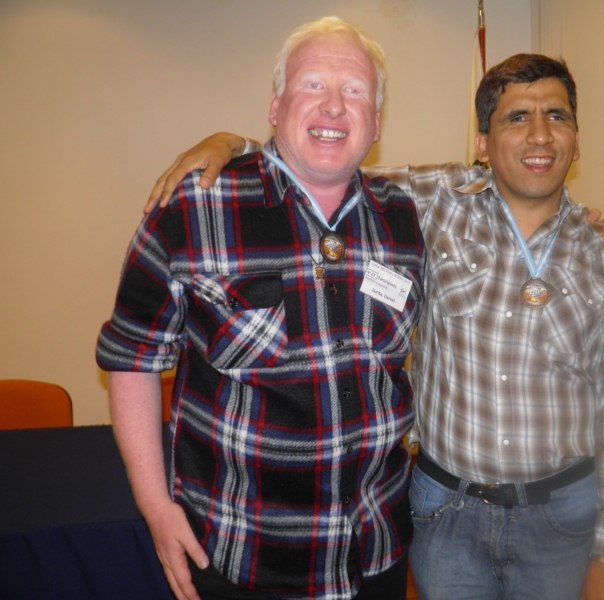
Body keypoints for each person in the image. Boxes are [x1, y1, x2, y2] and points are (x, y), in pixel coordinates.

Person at [147, 52, 604, 600]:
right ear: (481, 143)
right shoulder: (429, 201)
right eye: (516, 117)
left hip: (560, 518)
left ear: (577, 140)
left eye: (556, 116)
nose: (540, 135)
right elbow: (322, 163)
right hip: (447, 514)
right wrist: (234, 143)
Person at [96, 17, 425, 600]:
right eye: (312, 85)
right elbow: (131, 358)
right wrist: (155, 505)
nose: (333, 106)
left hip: (376, 550)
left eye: (354, 91)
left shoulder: (402, 215)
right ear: (276, 106)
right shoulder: (194, 207)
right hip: (241, 556)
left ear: (376, 121)